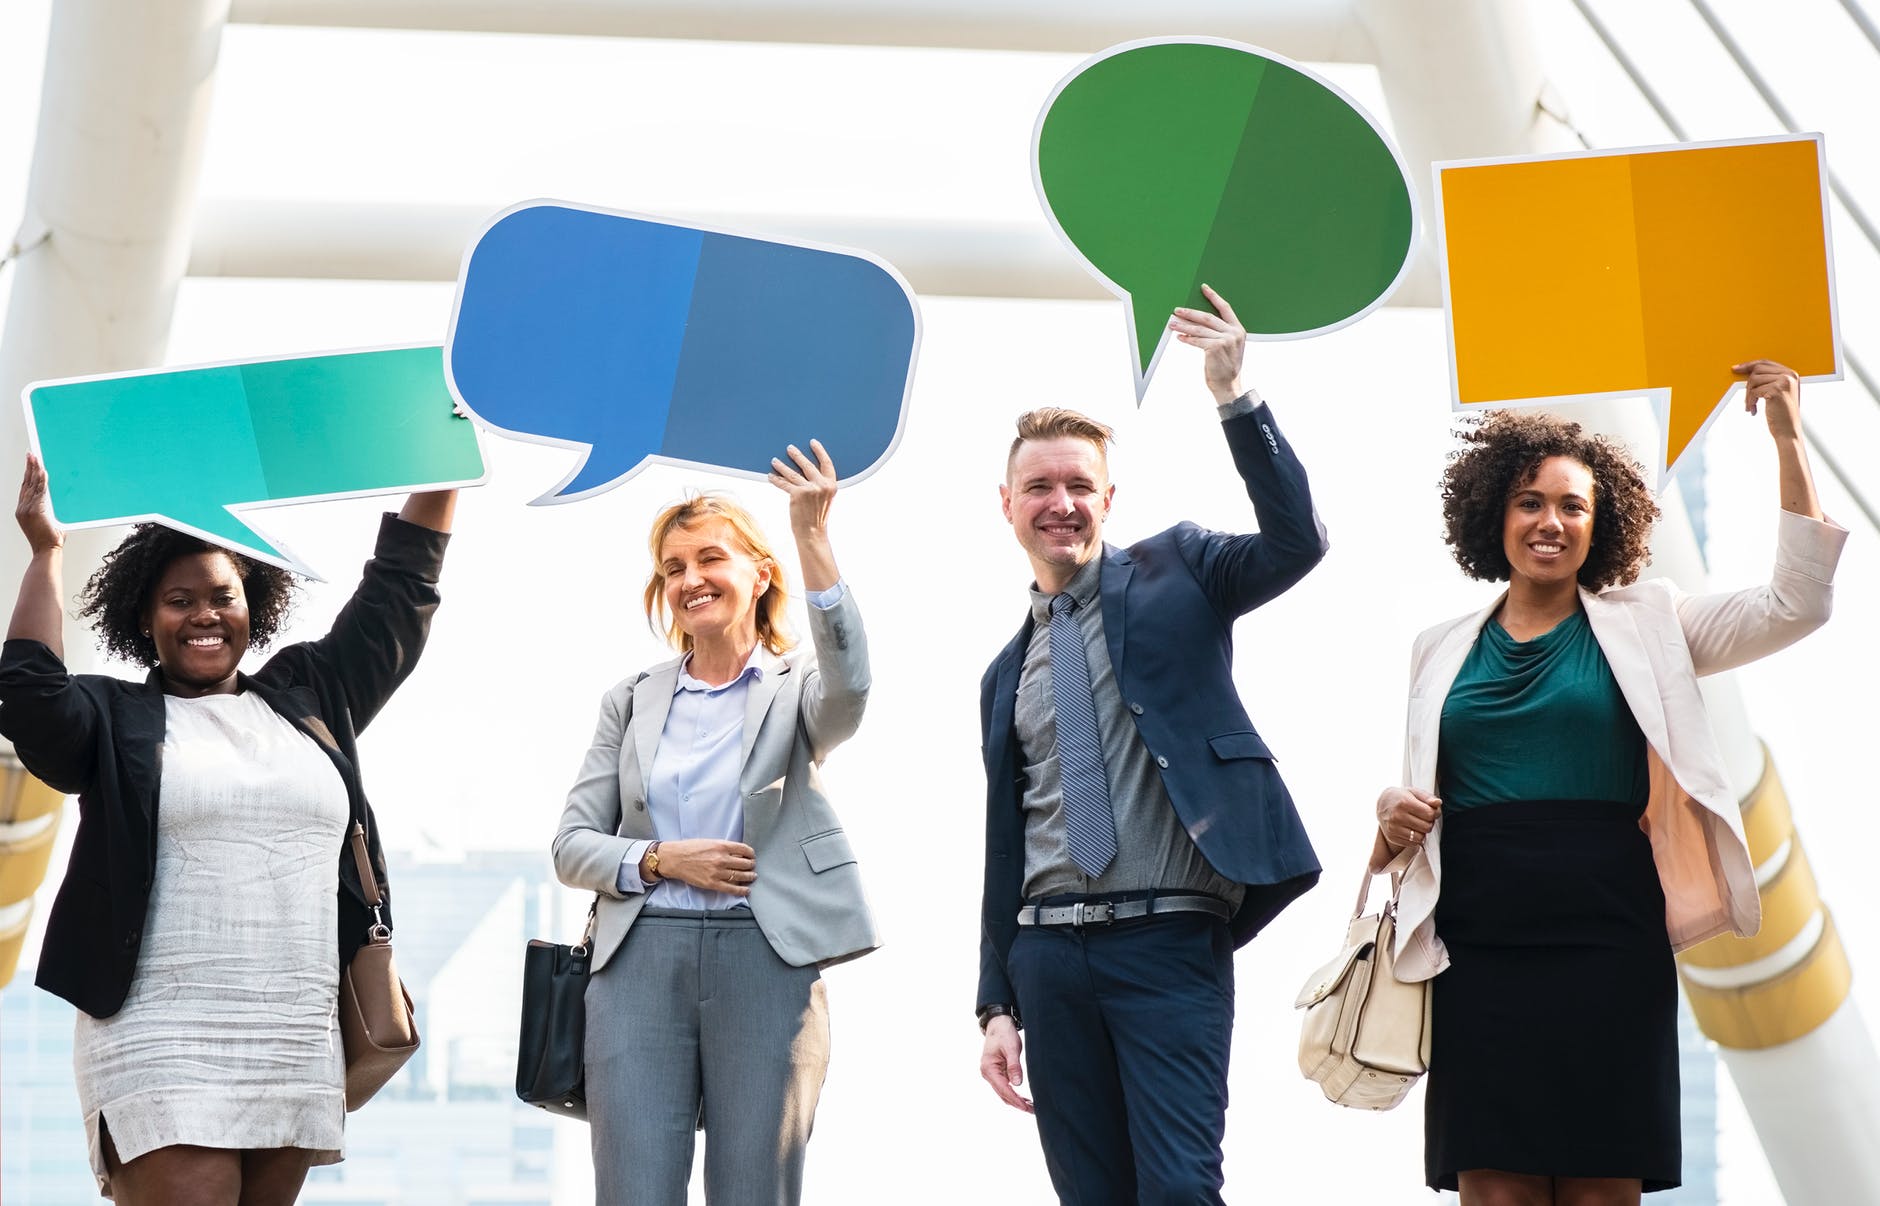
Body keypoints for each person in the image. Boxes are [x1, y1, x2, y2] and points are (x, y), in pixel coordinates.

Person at [1374, 361, 1845, 1204]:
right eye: (1530, 502)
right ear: (1495, 514)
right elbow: (1418, 789)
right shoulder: (1437, 648)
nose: (1549, 522)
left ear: (1603, 526)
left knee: (1600, 1192)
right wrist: (1389, 806)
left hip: (1609, 937)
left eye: (1572, 506)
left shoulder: (1652, 624)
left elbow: (1796, 604)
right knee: (1496, 1191)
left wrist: (1786, 437)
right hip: (1478, 943)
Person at [0, 454, 457, 1204]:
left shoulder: (312, 693)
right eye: (179, 601)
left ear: (256, 604)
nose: (205, 614)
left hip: (292, 1032)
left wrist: (443, 465)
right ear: (145, 620)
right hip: (160, 1033)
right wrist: (46, 552)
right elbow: (30, 693)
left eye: (223, 595)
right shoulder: (116, 718)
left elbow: (399, 592)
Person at [974, 285, 1329, 1204]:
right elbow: (1004, 843)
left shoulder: (1182, 570)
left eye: (1079, 485)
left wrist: (1234, 392)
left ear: (1108, 498)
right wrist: (995, 1001)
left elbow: (1297, 542)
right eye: (1041, 487)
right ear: (1006, 504)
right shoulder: (1004, 674)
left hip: (1170, 941)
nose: (1061, 503)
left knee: (1178, 1190)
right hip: (1048, 961)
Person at [552, 439, 875, 1205]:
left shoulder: (798, 688)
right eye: (673, 568)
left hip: (766, 955)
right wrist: (662, 860)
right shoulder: (630, 700)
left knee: (754, 1193)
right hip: (639, 966)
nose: (691, 580)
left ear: (759, 573)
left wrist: (812, 536)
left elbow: (851, 687)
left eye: (709, 559)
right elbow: (571, 846)